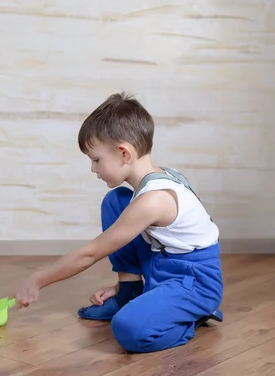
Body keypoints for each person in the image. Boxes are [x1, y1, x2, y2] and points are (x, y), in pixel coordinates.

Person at [13, 92, 224, 353]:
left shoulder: (154, 200)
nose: (93, 169)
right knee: (117, 200)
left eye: (96, 159)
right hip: (163, 265)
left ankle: (192, 315)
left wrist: (38, 279)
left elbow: (90, 254)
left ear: (124, 153)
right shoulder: (151, 182)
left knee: (128, 330)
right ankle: (130, 293)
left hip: (194, 283)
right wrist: (119, 285)